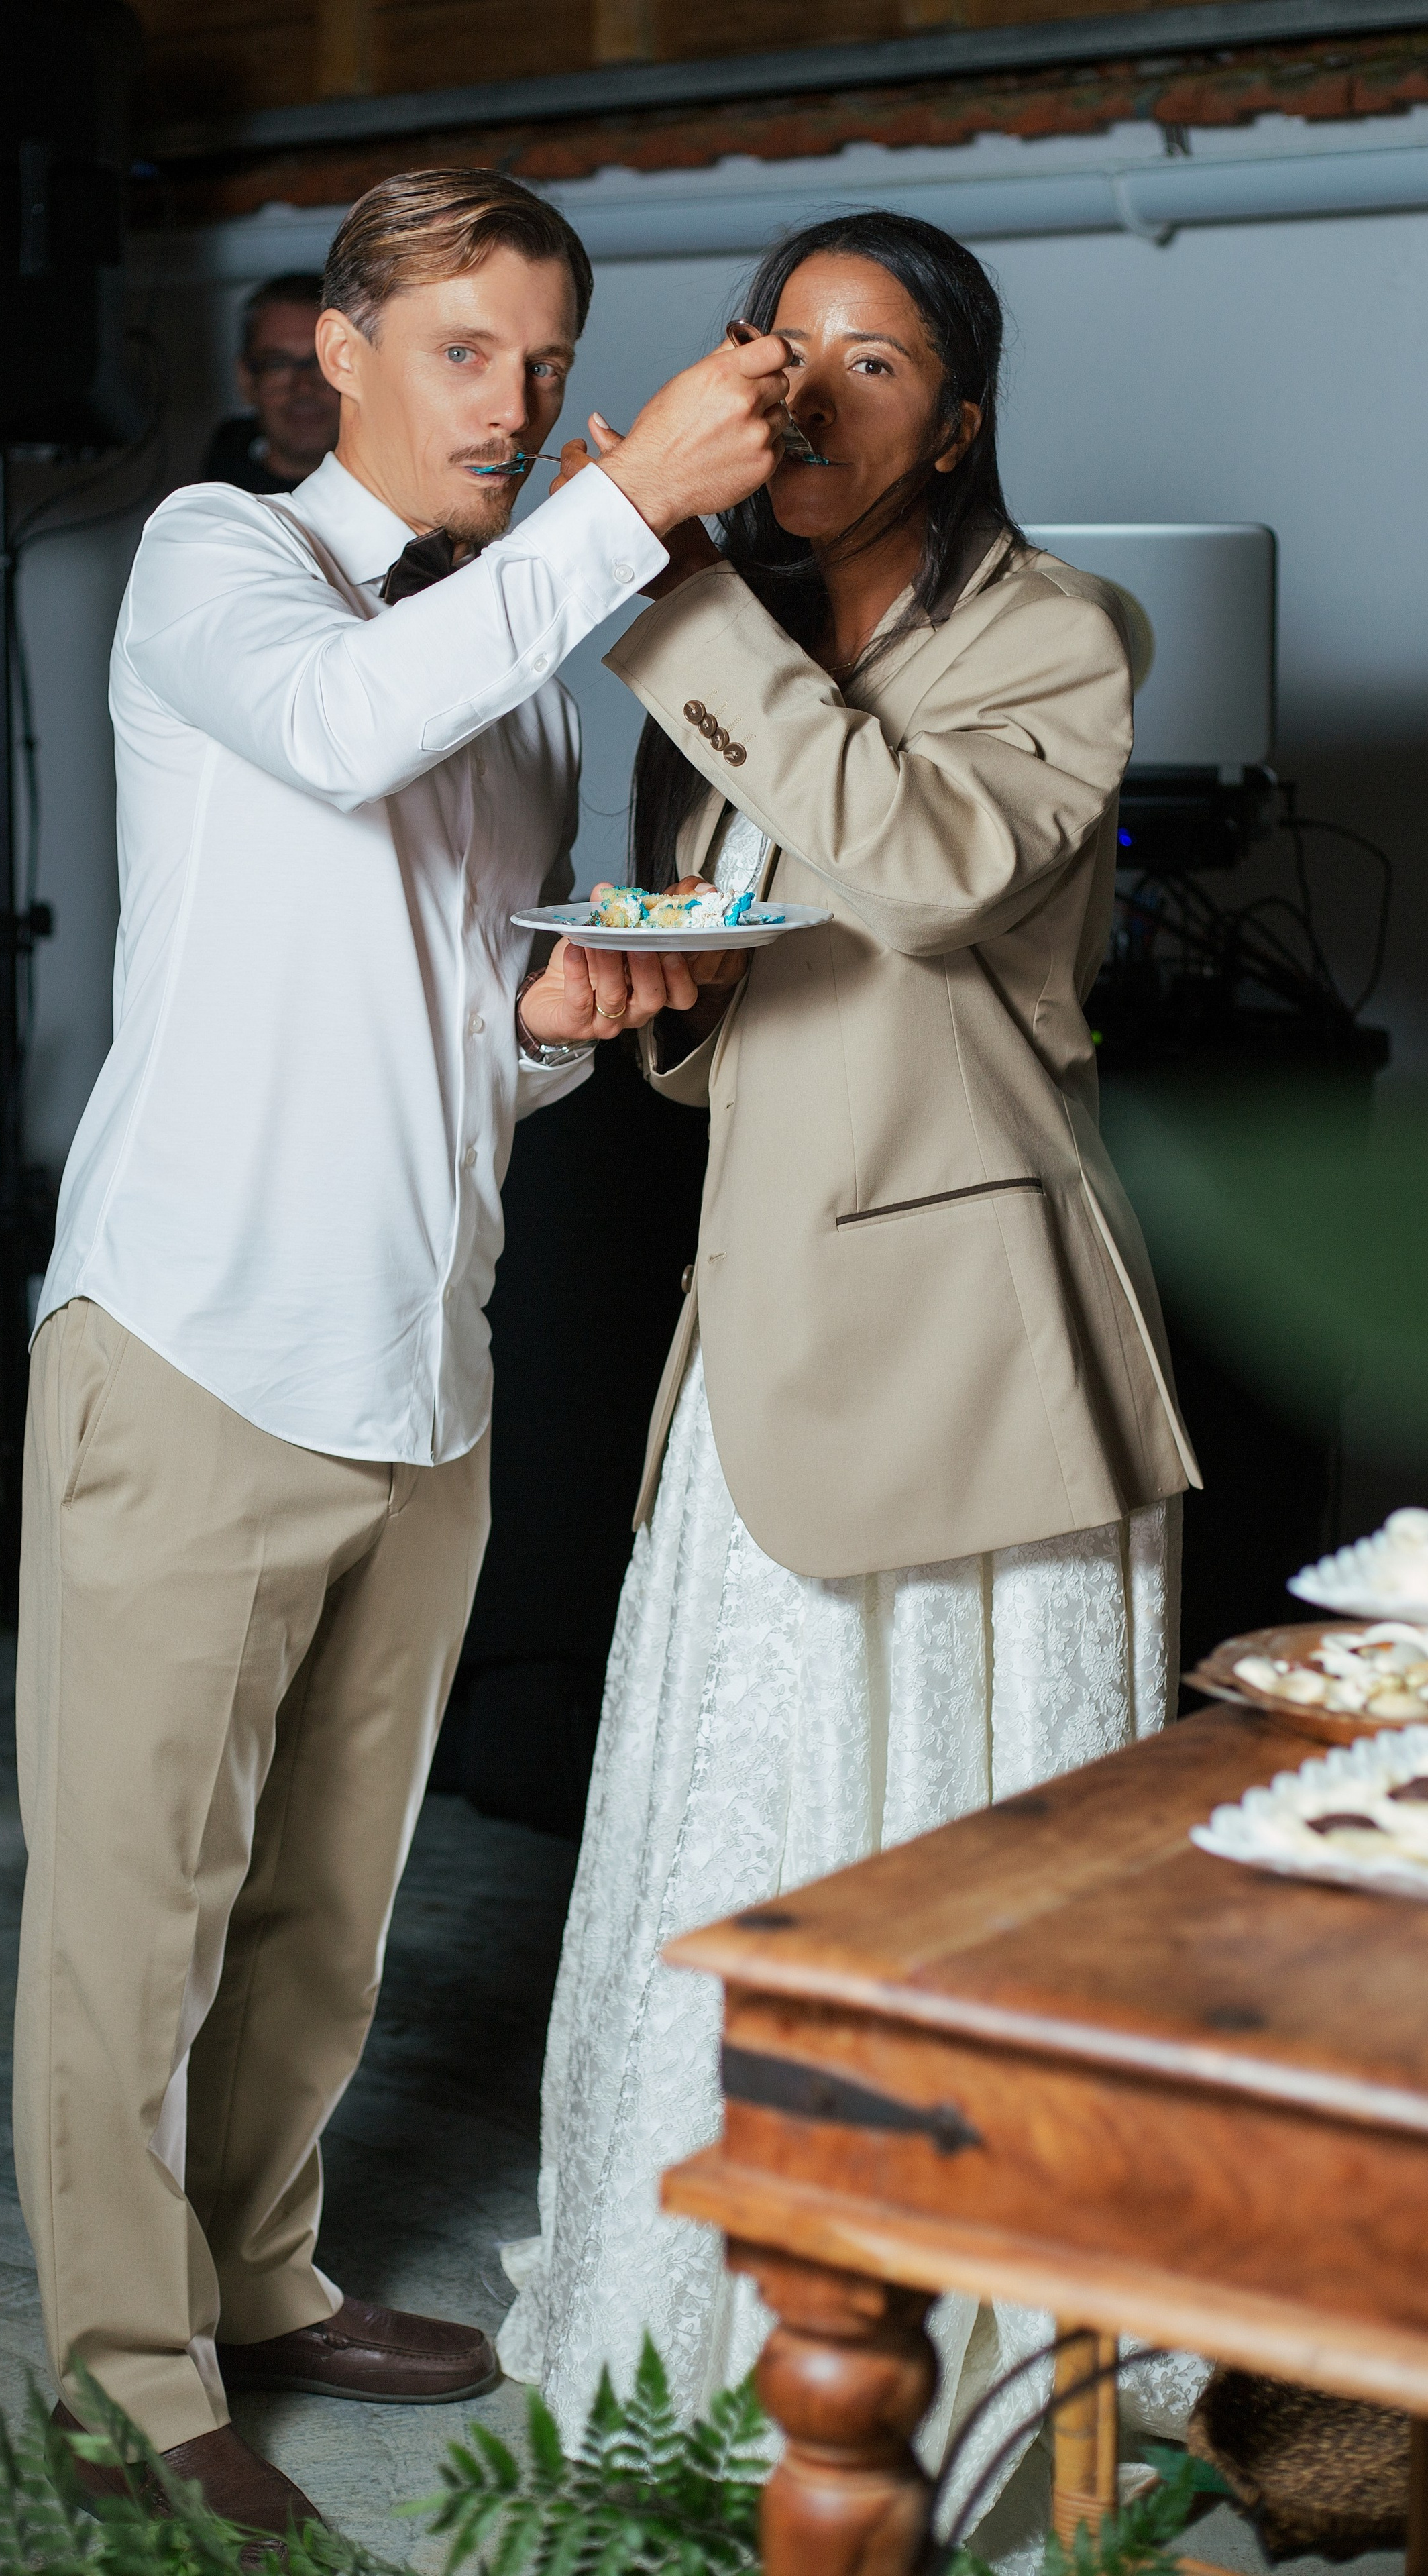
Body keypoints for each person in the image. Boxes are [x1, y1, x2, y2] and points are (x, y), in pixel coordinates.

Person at [12, 165, 800, 2550]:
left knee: (324, 1907)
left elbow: (463, 1033)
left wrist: (559, 1018)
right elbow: (346, 735)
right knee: (131, 1913)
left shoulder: (522, 672)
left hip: (415, 1373)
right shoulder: (215, 565)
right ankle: (121, 2385)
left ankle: (265, 2278)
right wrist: (628, 504)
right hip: (190, 1350)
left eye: (548, 364)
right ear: (341, 350)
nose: (516, 402)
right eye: (465, 349)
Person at [498, 209, 1208, 2528]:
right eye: (778, 350)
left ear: (961, 421)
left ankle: (994, 2393)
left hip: (979, 1364)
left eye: (874, 359)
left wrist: (669, 596)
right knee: (738, 1848)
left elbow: (919, 878)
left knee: (953, 1877)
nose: (809, 394)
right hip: (758, 1340)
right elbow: (792, 992)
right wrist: (674, 1006)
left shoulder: (1066, 640)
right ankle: (703, 2354)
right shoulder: (768, 655)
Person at [201, 270, 342, 494]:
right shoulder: (212, 507)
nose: (304, 387)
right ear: (246, 379)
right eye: (278, 364)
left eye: (322, 362)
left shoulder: (407, 501)